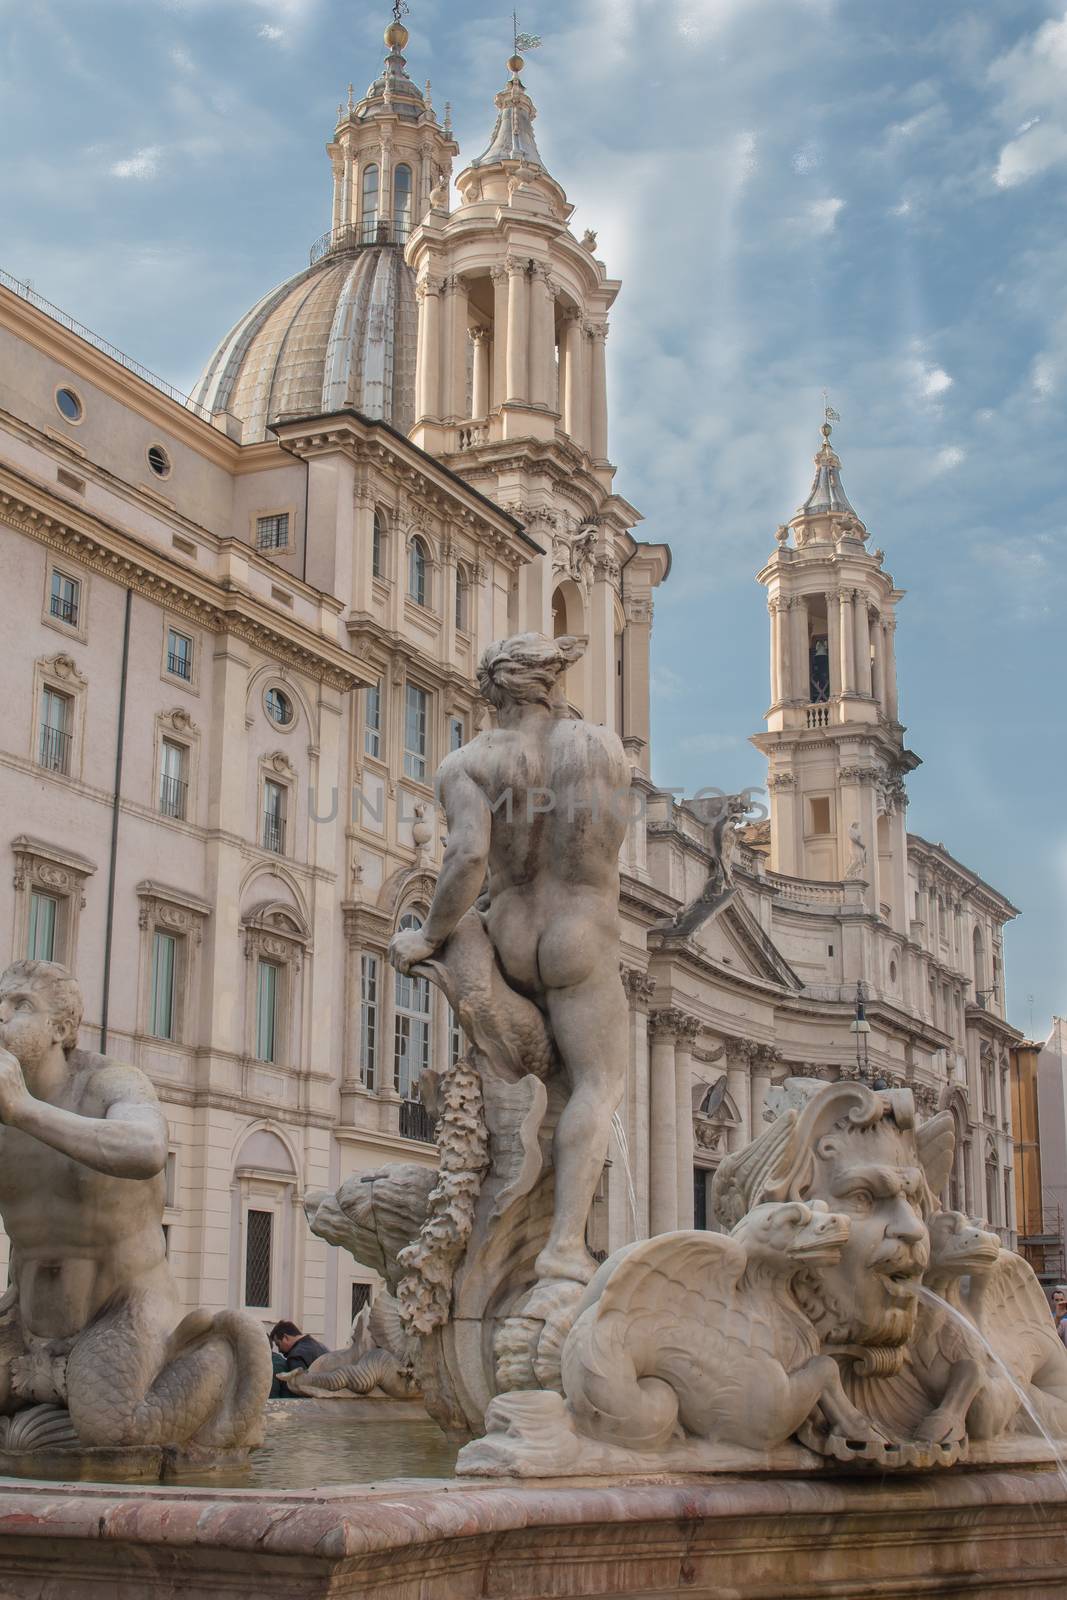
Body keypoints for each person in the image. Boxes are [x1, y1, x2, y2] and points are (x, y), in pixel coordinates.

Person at [389, 633, 631, 1288]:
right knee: (595, 1086)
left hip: (506, 932)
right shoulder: (601, 748)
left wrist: (431, 933)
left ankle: (508, 1197)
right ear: (549, 682)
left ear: (491, 693)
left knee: (533, 1079)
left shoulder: (468, 761)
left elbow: (467, 858)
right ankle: (561, 1246)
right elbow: (604, 842)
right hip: (578, 932)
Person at [0, 960, 270, 1448]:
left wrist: (23, 1110)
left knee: (116, 1430)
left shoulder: (109, 1084)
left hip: (121, 1309)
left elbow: (146, 1149)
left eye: (19, 1006)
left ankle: (217, 1359)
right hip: (26, 1321)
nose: (1, 1015)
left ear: (61, 1028)